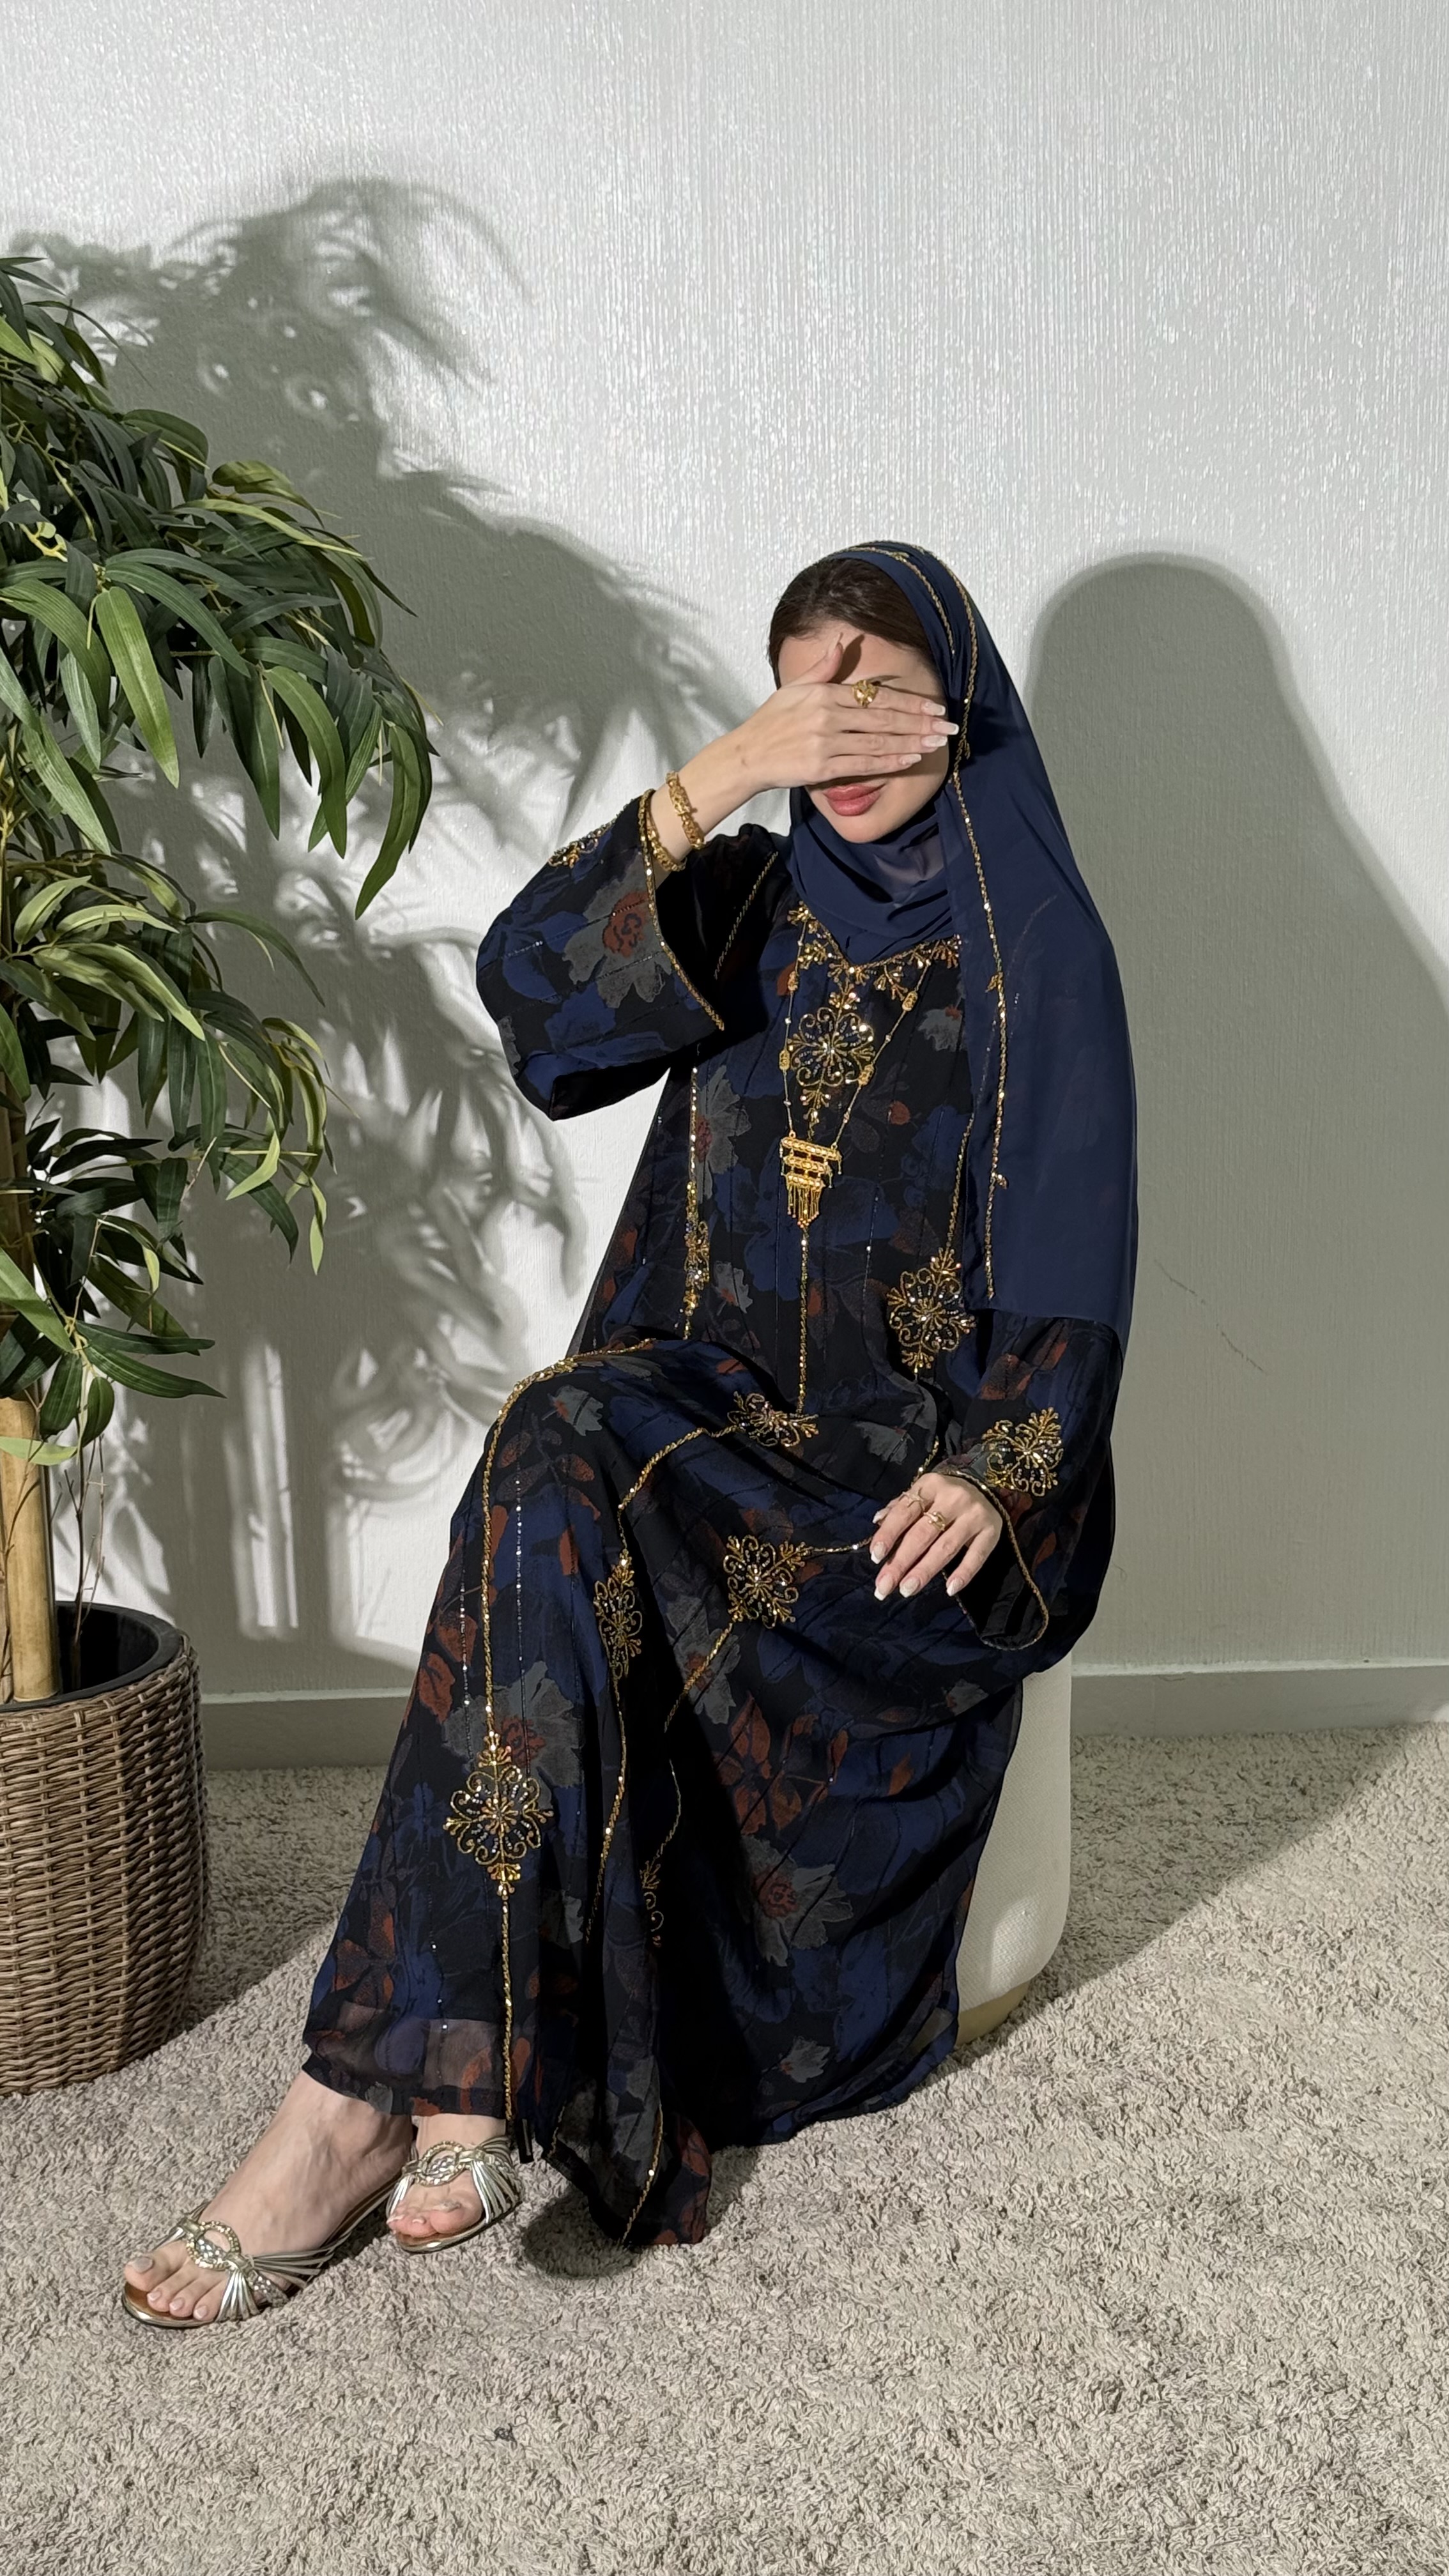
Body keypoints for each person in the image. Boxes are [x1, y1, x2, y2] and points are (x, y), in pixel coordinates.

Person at [121, 540, 1137, 2326]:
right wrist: (718, 776)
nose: (839, 735)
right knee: (557, 1446)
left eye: (879, 693)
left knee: (561, 1448)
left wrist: (1002, 1465)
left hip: (895, 1479)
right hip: (693, 1413)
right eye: (803, 697)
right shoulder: (746, 897)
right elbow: (534, 1002)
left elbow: (1074, 1238)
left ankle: (381, 2101)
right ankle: (381, 2098)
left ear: (961, 704)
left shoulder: (1030, 938)